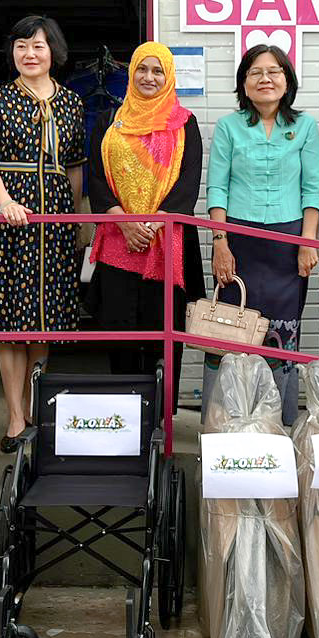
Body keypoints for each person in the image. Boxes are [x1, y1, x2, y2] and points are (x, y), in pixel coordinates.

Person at [0, 15, 86, 452]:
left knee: (43, 320)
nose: (29, 54)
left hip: (54, 218)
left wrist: (76, 222)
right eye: (21, 46)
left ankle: (37, 409)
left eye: (37, 46)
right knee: (9, 320)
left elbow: (75, 167)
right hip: (9, 217)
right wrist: (4, 202)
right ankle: (15, 417)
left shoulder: (73, 103)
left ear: (53, 51)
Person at [205, 44, 319, 425]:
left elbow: (313, 188)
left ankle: (277, 422)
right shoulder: (229, 126)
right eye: (256, 72)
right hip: (239, 241)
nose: (265, 79)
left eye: (274, 71)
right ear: (244, 82)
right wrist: (220, 242)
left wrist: (307, 242)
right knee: (234, 329)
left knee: (281, 334)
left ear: (287, 80)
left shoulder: (304, 127)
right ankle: (230, 418)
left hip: (288, 244)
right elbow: (217, 188)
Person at [87, 42, 204, 406]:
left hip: (166, 241)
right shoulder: (109, 121)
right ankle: (124, 416)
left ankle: (160, 420)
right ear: (131, 72)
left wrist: (152, 225)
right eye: (142, 69)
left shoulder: (185, 124)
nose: (148, 77)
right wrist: (122, 221)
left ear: (168, 77)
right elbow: (95, 177)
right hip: (118, 241)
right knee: (119, 333)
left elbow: (188, 182)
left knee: (163, 336)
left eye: (157, 71)